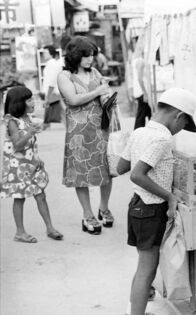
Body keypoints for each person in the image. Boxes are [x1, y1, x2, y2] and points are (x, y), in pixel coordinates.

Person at [116, 87, 196, 315]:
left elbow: (121, 167)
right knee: (147, 270)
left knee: (143, 266)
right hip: (151, 209)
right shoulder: (163, 138)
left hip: (137, 206)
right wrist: (169, 196)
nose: (181, 130)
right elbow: (136, 174)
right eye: (184, 125)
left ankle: (135, 311)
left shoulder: (140, 132)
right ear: (178, 116)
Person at [57, 36, 114, 235]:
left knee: (106, 169)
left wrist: (107, 96)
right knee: (81, 172)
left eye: (92, 55)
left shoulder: (95, 72)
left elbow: (103, 94)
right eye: (86, 55)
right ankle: (87, 214)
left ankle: (104, 207)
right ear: (75, 55)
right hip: (78, 131)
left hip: (100, 127)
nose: (91, 59)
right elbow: (72, 100)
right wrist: (98, 90)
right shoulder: (64, 76)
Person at [0, 86, 63, 242]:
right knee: (19, 198)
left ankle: (50, 228)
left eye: (32, 98)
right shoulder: (12, 122)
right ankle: (20, 232)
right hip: (17, 167)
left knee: (41, 195)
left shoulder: (27, 119)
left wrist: (37, 159)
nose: (33, 101)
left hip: (30, 166)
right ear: (18, 103)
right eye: (29, 99)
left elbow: (30, 146)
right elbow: (18, 145)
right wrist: (30, 133)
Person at [131, 36, 151, 129]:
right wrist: (146, 93)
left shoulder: (137, 60)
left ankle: (141, 134)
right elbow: (139, 78)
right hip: (142, 92)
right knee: (141, 116)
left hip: (140, 91)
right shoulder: (140, 62)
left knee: (146, 114)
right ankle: (137, 135)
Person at [42, 45, 63, 129]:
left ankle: (46, 124)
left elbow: (52, 78)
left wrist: (49, 90)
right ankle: (46, 124)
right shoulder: (50, 63)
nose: (44, 54)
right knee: (51, 107)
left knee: (51, 106)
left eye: (45, 52)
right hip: (50, 89)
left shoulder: (52, 63)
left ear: (51, 53)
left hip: (52, 90)